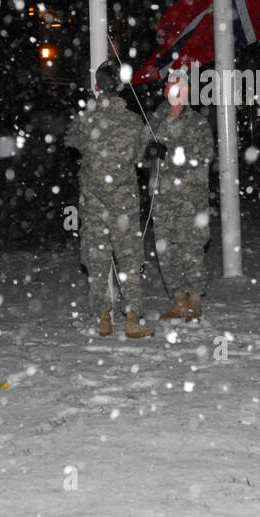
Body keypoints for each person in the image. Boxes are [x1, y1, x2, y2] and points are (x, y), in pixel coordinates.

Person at [63, 60, 154, 338]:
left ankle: (103, 318)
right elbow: (143, 154)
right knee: (128, 259)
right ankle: (132, 319)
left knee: (97, 259)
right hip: (123, 202)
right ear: (121, 87)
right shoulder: (132, 121)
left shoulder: (86, 120)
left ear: (97, 87)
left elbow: (69, 140)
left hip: (93, 203)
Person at [141, 66, 215, 320]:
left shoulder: (197, 122)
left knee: (191, 250)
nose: (169, 89)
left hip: (189, 200)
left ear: (185, 90)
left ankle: (194, 300)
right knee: (166, 252)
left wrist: (171, 153)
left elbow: (205, 156)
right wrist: (147, 153)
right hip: (162, 200)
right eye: (167, 85)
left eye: (175, 85)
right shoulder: (155, 120)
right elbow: (139, 154)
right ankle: (178, 300)